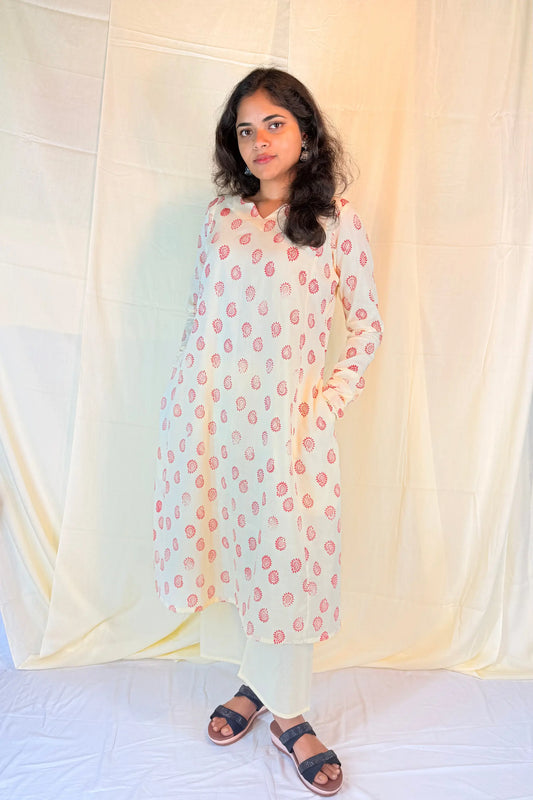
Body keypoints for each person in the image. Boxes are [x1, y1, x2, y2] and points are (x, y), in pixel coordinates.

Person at [152, 67, 383, 796]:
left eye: (273, 123)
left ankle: (291, 712)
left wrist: (325, 406)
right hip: (215, 420)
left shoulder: (337, 222)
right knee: (231, 555)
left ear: (305, 130)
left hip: (289, 432)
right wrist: (185, 410)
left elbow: (366, 329)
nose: (258, 141)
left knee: (290, 563)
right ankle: (251, 685)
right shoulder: (221, 220)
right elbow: (201, 321)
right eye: (244, 130)